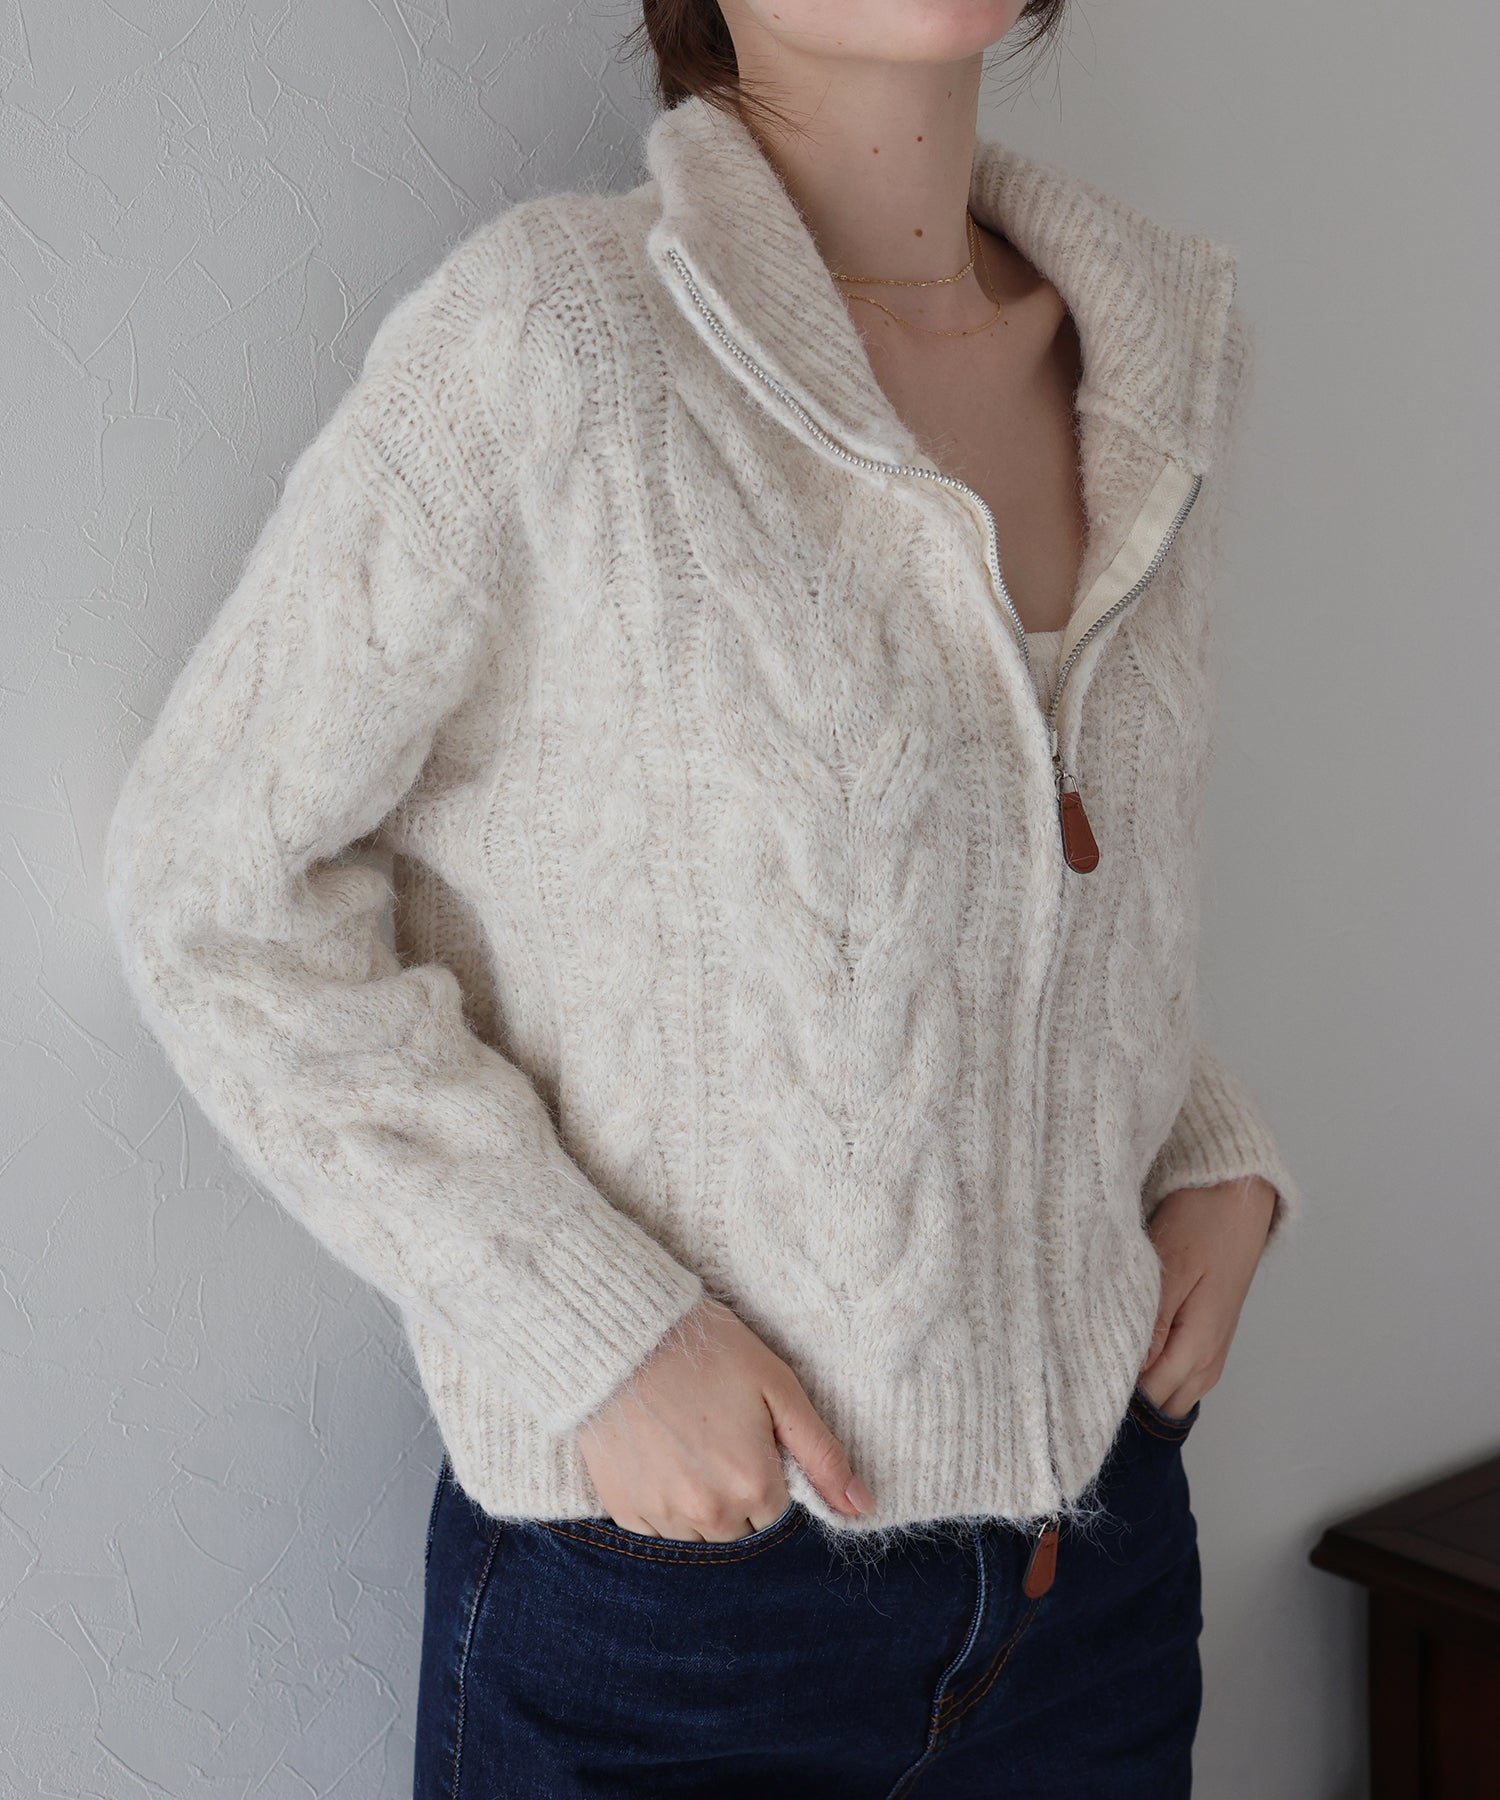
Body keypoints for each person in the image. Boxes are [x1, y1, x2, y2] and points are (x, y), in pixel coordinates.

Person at [103, 0, 1303, 1792]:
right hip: (678, 1618)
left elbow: (1031, 865)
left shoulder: (1157, 353)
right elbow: (210, 883)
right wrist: (588, 1328)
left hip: (1093, 1588)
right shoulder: (559, 337)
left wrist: (1206, 1141)